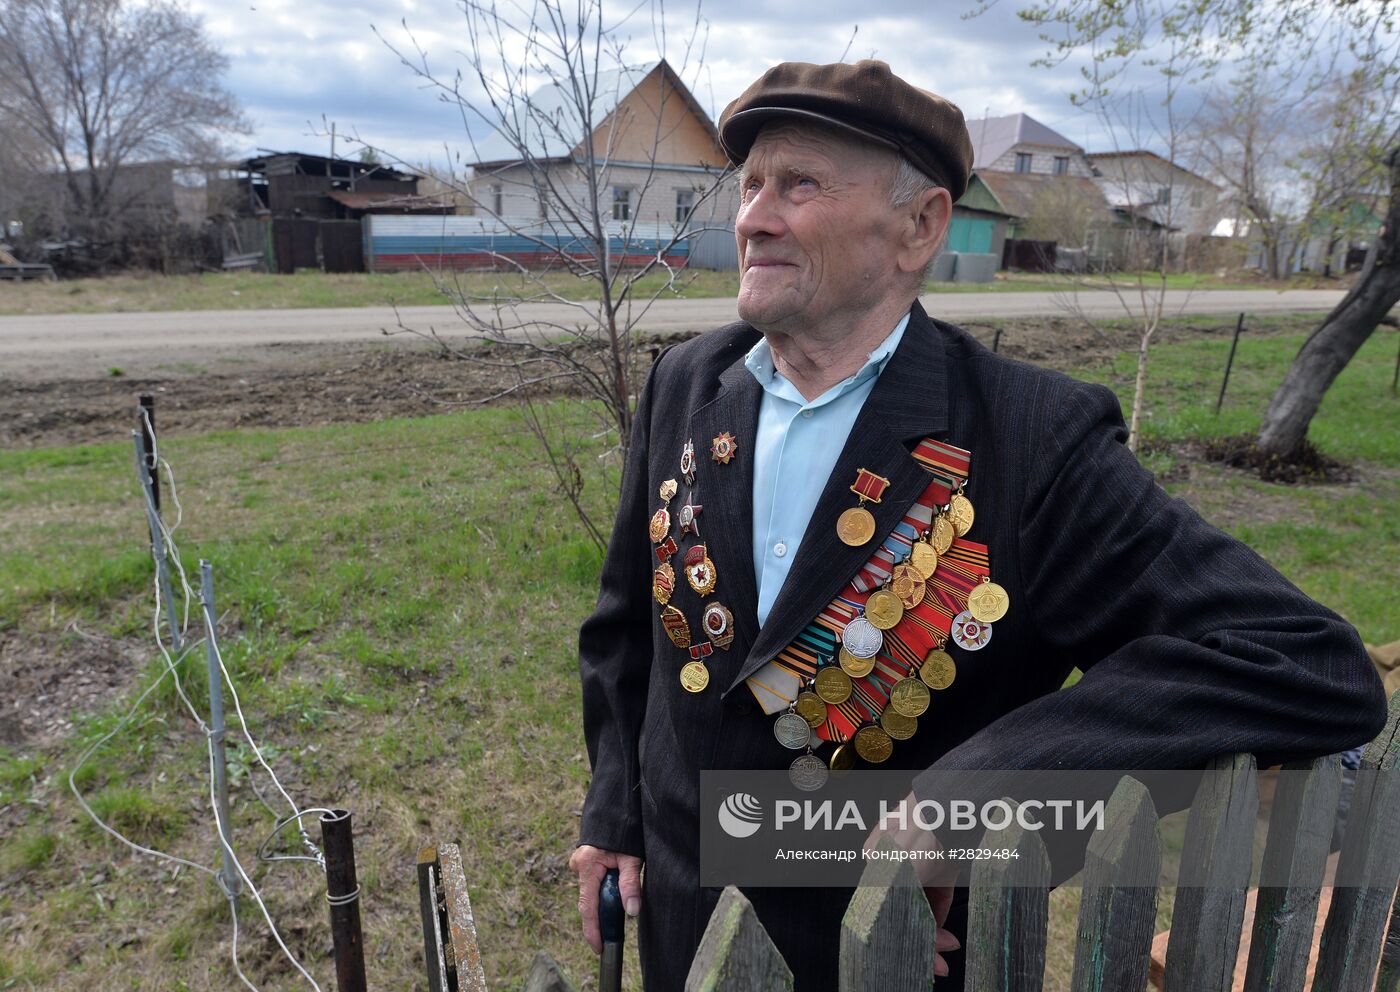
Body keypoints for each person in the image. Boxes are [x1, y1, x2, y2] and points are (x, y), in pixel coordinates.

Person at [568, 59, 1387, 990]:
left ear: (919, 227)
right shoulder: (687, 381)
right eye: (751, 183)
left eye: (799, 185)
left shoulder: (1029, 438)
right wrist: (614, 813)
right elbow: (628, 625)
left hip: (900, 947)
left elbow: (1303, 659)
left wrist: (968, 798)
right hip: (689, 919)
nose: (753, 215)